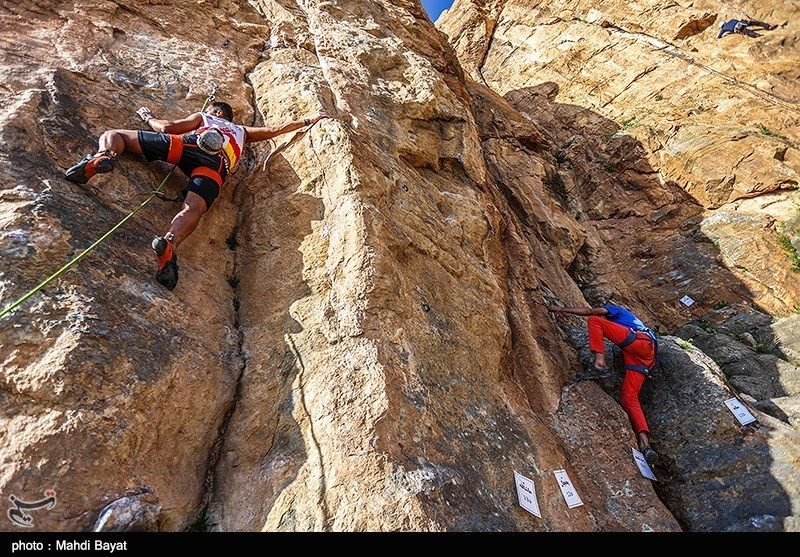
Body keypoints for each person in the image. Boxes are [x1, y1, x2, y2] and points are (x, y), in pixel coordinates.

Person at [65, 101, 329, 290]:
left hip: (188, 145)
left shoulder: (205, 117)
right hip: (216, 165)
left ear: (215, 112)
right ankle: (169, 244)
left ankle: (103, 157)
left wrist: (148, 117)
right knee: (193, 209)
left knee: (115, 135)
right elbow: (275, 130)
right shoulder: (241, 132)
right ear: (230, 117)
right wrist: (309, 120)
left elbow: (167, 127)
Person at [547, 303, 660, 465]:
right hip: (646, 356)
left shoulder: (617, 310)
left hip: (638, 341)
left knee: (595, 321)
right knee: (629, 398)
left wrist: (562, 309)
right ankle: (645, 445)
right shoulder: (632, 321)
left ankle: (599, 364)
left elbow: (589, 312)